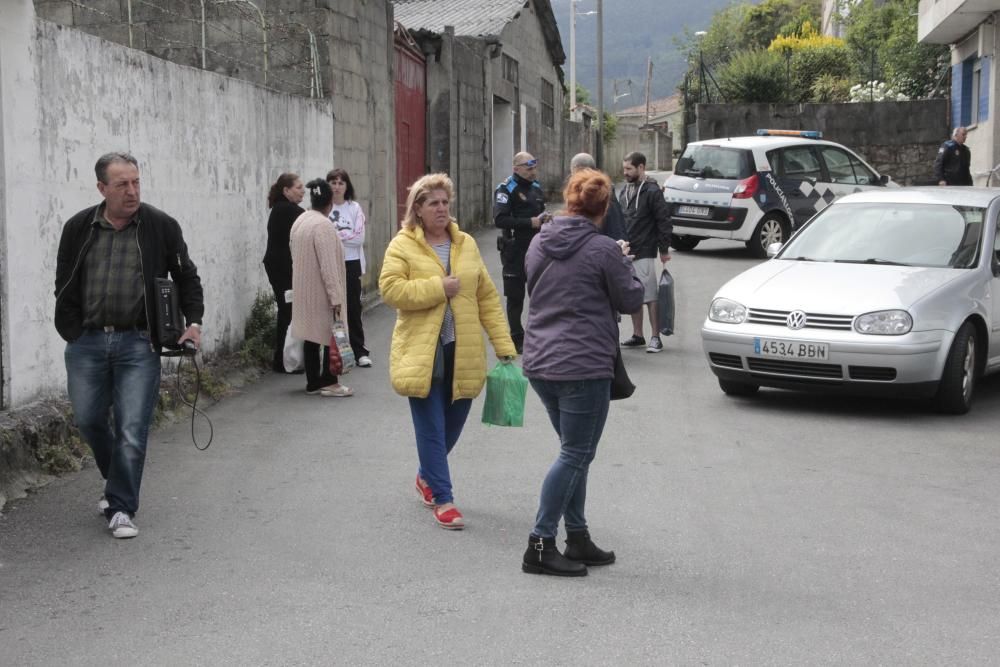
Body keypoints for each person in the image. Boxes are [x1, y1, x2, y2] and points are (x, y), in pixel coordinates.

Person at [54, 152, 204, 539]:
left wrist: (194, 323)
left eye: (136, 182)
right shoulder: (78, 227)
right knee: (88, 420)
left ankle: (121, 507)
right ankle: (115, 479)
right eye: (122, 184)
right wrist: (70, 327)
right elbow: (64, 279)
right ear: (102, 188)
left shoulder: (159, 226)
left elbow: (186, 276)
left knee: (132, 429)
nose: (132, 191)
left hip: (139, 342)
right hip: (86, 341)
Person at [520, 168, 644, 576]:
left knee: (574, 454)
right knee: (575, 453)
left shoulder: (539, 242)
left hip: (540, 361)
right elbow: (630, 300)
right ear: (604, 208)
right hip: (583, 365)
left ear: (568, 200)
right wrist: (624, 262)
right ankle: (540, 543)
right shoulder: (604, 249)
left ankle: (577, 537)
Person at [380, 173, 516, 530]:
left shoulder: (467, 244)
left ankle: (426, 476)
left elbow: (486, 296)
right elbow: (391, 290)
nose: (441, 209)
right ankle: (444, 498)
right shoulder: (403, 245)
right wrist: (439, 287)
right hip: (423, 352)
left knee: (451, 427)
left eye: (445, 202)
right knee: (431, 428)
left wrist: (503, 345)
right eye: (433, 203)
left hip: (464, 349)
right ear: (418, 210)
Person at [289, 179, 353, 397]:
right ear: (329, 204)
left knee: (310, 335)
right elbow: (328, 266)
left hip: (304, 289)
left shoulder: (301, 220)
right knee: (330, 336)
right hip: (322, 291)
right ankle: (330, 381)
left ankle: (313, 382)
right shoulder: (323, 226)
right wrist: (335, 296)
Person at [493, 151, 548, 354]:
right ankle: (516, 337)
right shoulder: (506, 189)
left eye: (534, 167)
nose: (533, 171)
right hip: (515, 249)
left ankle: (538, 335)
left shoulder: (536, 187)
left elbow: (540, 211)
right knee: (515, 297)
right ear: (516, 169)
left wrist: (544, 219)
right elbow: (500, 219)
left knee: (541, 293)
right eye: (528, 167)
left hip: (537, 249)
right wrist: (529, 223)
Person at [618, 151, 672, 353]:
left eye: (629, 168)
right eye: (624, 168)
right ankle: (637, 335)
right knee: (634, 295)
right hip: (627, 252)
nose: (625, 172)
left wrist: (664, 249)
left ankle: (655, 337)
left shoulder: (652, 191)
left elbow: (663, 221)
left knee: (649, 296)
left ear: (641, 167)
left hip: (646, 252)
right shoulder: (624, 191)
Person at [326, 168, 372, 368]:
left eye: (340, 183)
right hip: (329, 263)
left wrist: (334, 237)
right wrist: (342, 238)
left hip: (351, 263)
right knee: (331, 309)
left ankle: (359, 350)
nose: (336, 187)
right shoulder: (323, 209)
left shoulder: (354, 208)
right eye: (333, 182)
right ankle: (333, 353)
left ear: (347, 186)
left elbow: (359, 238)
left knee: (353, 307)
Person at [263, 173, 305, 373]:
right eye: (298, 187)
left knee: (287, 310)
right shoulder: (288, 210)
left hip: (281, 266)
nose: (302, 191)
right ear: (286, 190)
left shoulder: (283, 209)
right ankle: (283, 360)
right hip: (282, 269)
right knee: (288, 311)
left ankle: (284, 358)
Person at [570, 152, 627, 242]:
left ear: (579, 170)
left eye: (573, 172)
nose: (572, 177)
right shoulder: (577, 193)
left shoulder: (603, 194)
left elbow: (616, 229)